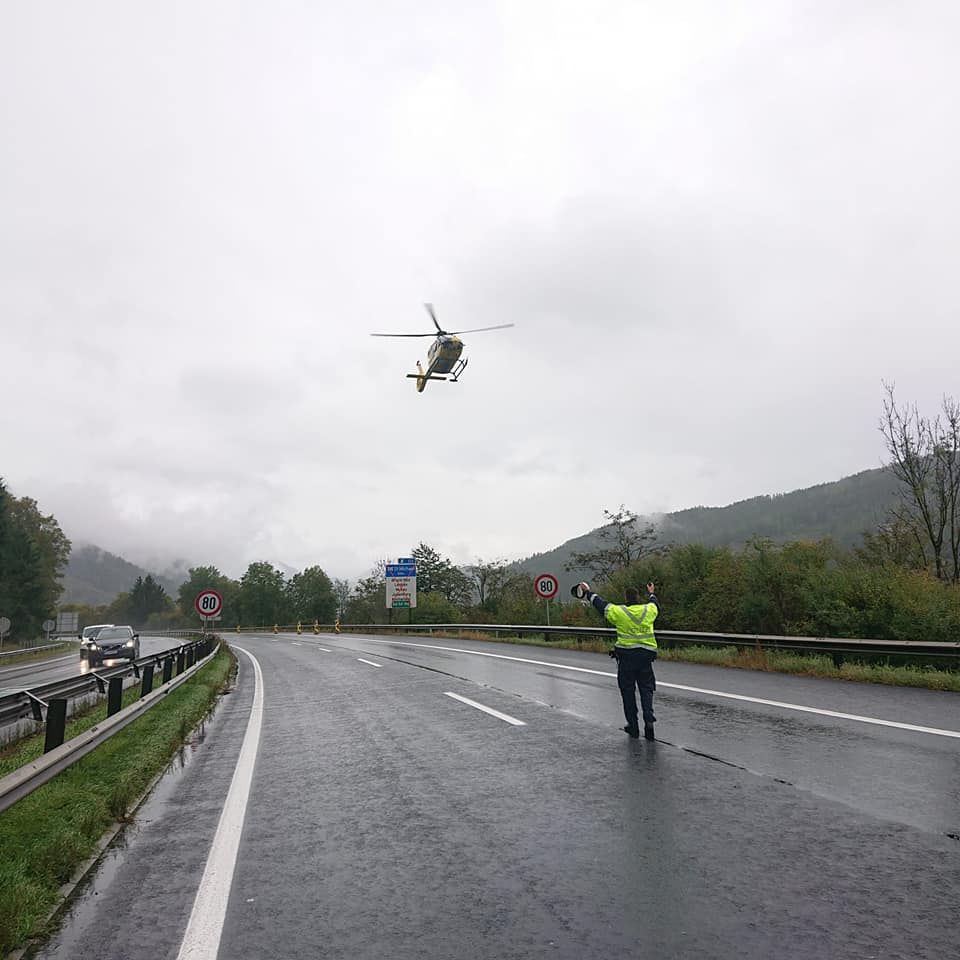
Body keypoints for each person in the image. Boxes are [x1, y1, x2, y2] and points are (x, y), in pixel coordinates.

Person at [577, 580, 659, 740]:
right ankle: (649, 720)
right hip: (645, 658)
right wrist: (651, 592)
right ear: (637, 597)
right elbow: (654, 603)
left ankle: (633, 726)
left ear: (626, 597)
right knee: (646, 690)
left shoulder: (619, 611)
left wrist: (588, 592)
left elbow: (601, 605)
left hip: (627, 658)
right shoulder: (648, 610)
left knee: (628, 692)